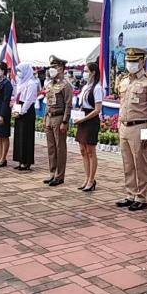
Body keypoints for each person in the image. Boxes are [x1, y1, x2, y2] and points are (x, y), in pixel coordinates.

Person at [116, 47, 147, 211]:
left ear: (142, 62)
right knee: (127, 163)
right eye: (129, 61)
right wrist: (119, 123)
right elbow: (122, 104)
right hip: (125, 126)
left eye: (134, 61)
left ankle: (141, 197)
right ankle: (130, 194)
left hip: (140, 126)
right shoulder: (124, 81)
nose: (131, 64)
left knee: (140, 164)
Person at [43, 55, 73, 186]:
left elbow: (68, 104)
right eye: (51, 67)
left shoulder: (66, 85)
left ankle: (60, 175)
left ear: (60, 68)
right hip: (50, 117)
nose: (51, 69)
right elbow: (48, 102)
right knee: (51, 147)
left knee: (60, 147)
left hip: (59, 117)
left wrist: (65, 121)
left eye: (54, 67)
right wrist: (45, 117)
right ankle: (52, 172)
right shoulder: (50, 84)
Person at [74, 62, 103, 192]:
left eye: (86, 71)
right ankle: (86, 177)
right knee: (83, 150)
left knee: (91, 151)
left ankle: (91, 179)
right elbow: (81, 103)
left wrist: (84, 118)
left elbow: (97, 109)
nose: (84, 73)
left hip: (90, 120)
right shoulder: (85, 86)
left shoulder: (97, 88)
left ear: (93, 72)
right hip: (82, 117)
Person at [13, 63, 38, 170]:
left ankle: (26, 161)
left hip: (27, 111)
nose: (18, 73)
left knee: (26, 136)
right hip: (19, 108)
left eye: (20, 70)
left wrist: (21, 112)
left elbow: (29, 100)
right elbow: (17, 97)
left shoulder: (31, 83)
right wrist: (15, 110)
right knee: (19, 136)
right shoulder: (20, 82)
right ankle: (20, 160)